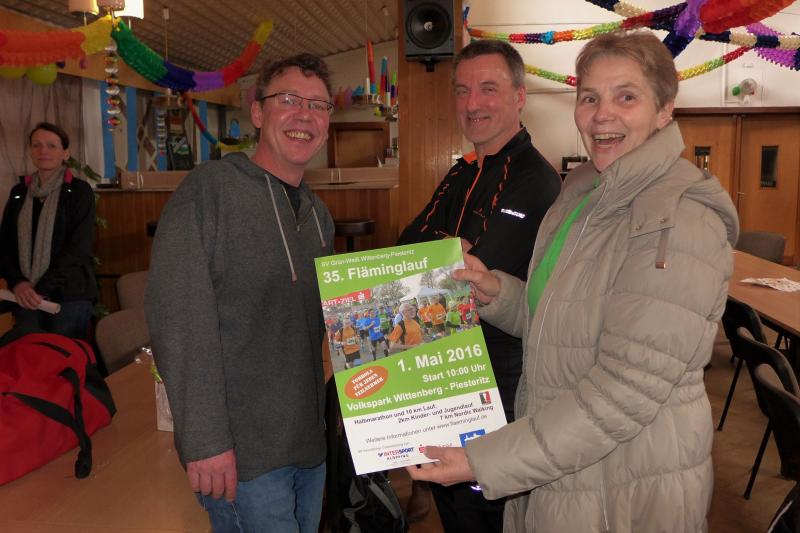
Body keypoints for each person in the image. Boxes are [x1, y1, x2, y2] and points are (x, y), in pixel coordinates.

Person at [408, 31, 739, 533]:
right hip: (561, 463)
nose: (602, 115)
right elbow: (561, 322)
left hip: (625, 483)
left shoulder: (679, 218)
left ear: (664, 109)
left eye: (626, 97)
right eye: (589, 98)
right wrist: (498, 293)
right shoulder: (584, 193)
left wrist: (485, 460)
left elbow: (625, 391)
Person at [145, 53, 335, 532]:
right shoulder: (209, 193)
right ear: (257, 112)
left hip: (308, 445)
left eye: (318, 105)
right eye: (289, 100)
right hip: (243, 457)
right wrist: (204, 440)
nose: (305, 115)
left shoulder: (318, 216)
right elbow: (179, 321)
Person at [396, 39, 561, 529]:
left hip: (497, 377)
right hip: (444, 362)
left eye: (488, 88)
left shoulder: (535, 179)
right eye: (462, 90)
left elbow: (471, 276)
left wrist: (444, 253)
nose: (472, 103)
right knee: (450, 500)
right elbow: (407, 245)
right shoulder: (462, 171)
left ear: (519, 96)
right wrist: (451, 248)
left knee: (483, 508)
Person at [0, 122, 97, 340]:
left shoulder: (79, 192)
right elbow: (5, 244)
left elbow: (78, 248)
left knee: (64, 357)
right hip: (25, 297)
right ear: (30, 151)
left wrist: (41, 288)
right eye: (36, 145)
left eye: (51, 145)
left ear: (65, 153)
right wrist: (18, 283)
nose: (43, 151)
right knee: (30, 355)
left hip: (69, 297)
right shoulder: (19, 192)